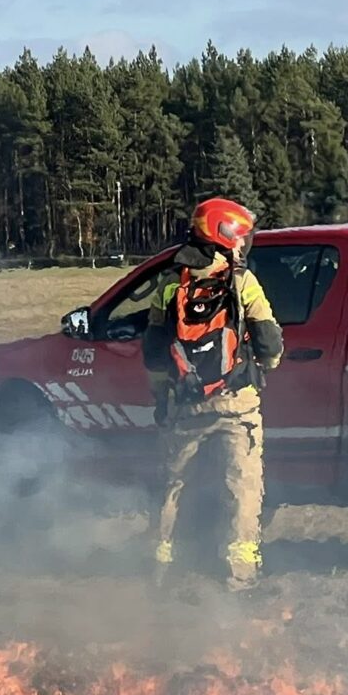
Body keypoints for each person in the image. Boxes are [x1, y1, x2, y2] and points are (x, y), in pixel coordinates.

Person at [144, 197, 284, 590]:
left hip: (186, 403)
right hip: (237, 404)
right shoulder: (242, 280)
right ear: (224, 235)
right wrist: (264, 370)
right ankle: (241, 574)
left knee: (172, 485)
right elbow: (269, 340)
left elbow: (154, 351)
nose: (242, 243)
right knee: (243, 489)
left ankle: (159, 565)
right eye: (239, 236)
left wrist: (162, 397)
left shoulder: (171, 283)